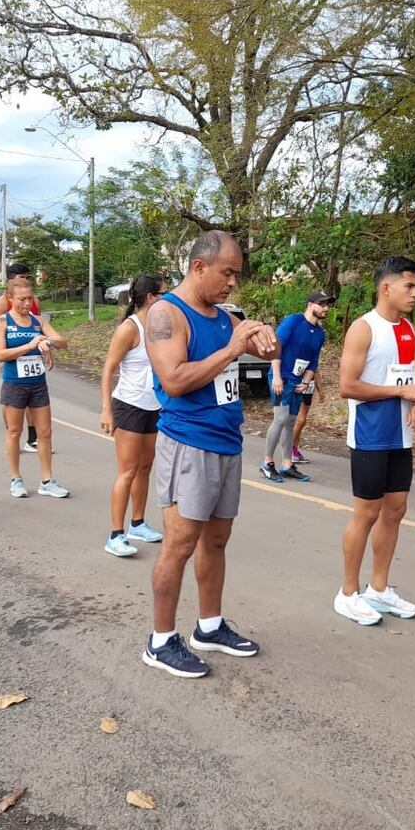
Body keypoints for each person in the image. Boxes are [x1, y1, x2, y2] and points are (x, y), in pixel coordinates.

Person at [142, 231, 279, 678]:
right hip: (188, 444)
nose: (232, 283)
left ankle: (209, 625)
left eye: (236, 274)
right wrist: (232, 349)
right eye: (227, 273)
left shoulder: (224, 316)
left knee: (217, 541)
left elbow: (245, 362)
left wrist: (263, 343)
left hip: (227, 442)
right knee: (179, 545)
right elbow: (176, 380)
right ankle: (160, 641)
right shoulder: (166, 314)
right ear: (198, 267)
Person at [334, 256, 415, 626]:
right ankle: (348, 592)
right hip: (370, 435)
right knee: (367, 513)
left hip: (400, 437)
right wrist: (400, 392)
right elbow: (348, 386)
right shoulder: (363, 328)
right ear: (385, 288)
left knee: (396, 510)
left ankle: (379, 588)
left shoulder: (408, 328)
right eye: (409, 286)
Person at [100, 273, 167, 557]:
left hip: (154, 406)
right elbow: (108, 369)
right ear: (151, 297)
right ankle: (115, 535)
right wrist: (107, 409)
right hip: (128, 406)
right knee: (127, 471)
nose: (167, 297)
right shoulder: (130, 328)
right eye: (163, 293)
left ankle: (137, 523)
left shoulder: (161, 326)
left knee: (144, 468)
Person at [0, 276, 70, 499]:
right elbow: (0, 354)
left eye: (30, 299)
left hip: (37, 384)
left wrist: (48, 342)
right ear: (10, 298)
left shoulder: (38, 322)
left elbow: (63, 341)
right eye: (21, 299)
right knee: (14, 431)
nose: (27, 303)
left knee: (45, 432)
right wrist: (29, 345)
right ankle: (16, 479)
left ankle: (47, 480)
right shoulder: (2, 322)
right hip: (14, 384)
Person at [259, 291, 332, 483]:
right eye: (322, 304)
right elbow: (276, 347)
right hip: (281, 376)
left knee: (291, 421)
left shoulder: (319, 334)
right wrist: (276, 376)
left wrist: (306, 382)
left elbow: (313, 362)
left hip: (298, 381)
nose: (326, 308)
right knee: (281, 418)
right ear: (310, 304)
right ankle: (267, 463)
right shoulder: (294, 321)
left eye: (327, 305)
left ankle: (287, 464)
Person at [0, 264, 51, 452]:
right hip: (12, 355)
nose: (25, 280)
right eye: (21, 277)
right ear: (11, 280)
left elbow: (40, 329)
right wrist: (0, 359)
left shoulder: (35, 300)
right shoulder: (3, 302)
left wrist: (47, 349)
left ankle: (32, 438)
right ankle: (12, 432)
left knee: (32, 398)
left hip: (33, 359)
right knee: (13, 400)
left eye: (27, 277)